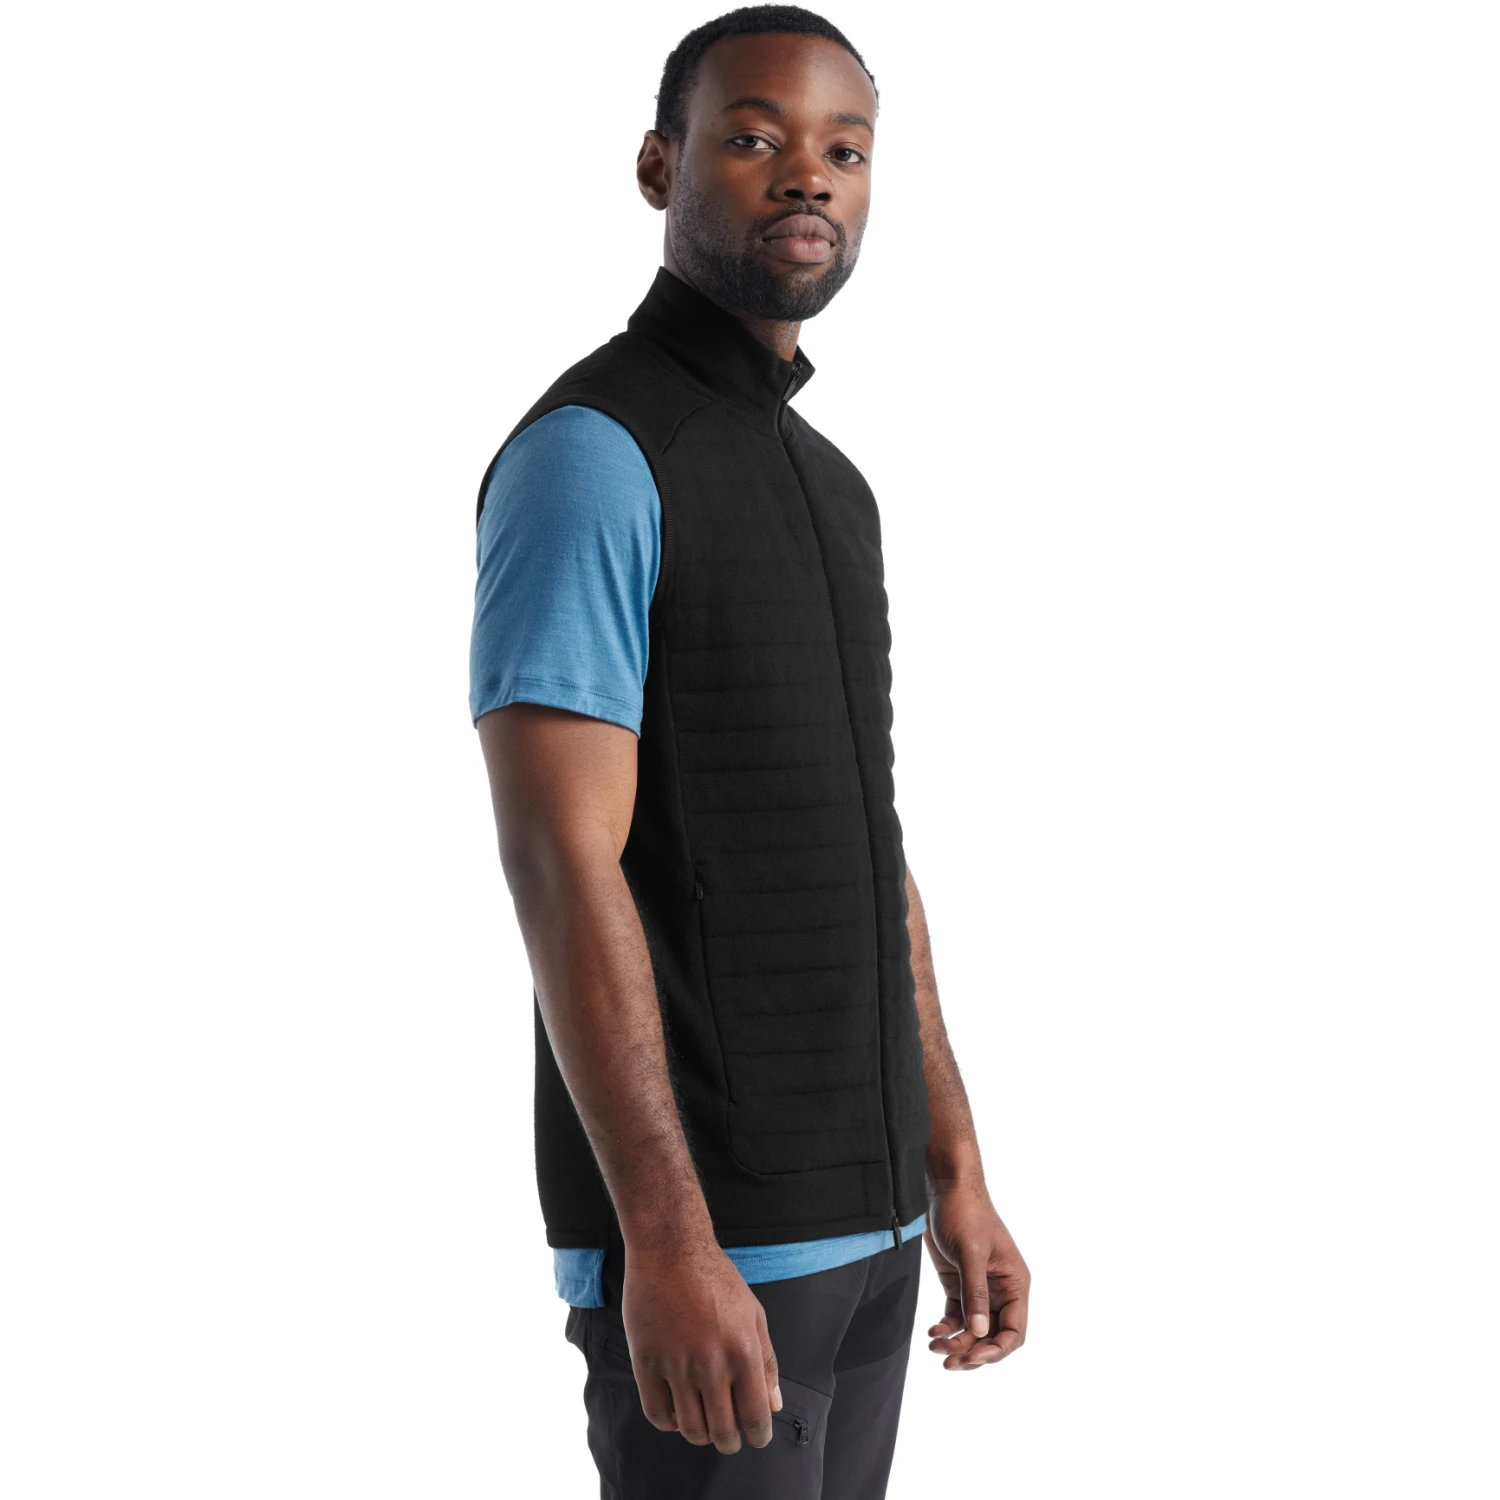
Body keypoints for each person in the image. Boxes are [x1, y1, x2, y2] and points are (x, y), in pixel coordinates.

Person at [469, 7, 1029, 1495]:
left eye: (847, 150)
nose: (809, 176)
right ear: (661, 168)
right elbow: (557, 855)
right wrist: (664, 1238)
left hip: (872, 1227)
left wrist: (954, 1169)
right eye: (755, 137)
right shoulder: (593, 454)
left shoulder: (834, 486)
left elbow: (866, 848)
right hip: (717, 1244)